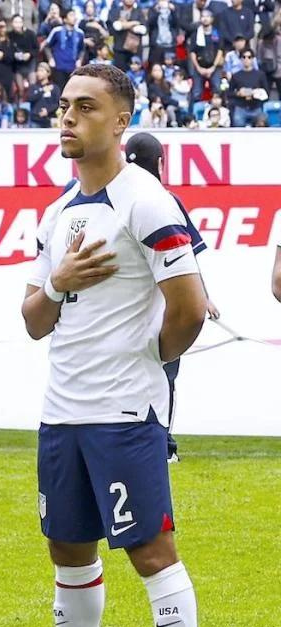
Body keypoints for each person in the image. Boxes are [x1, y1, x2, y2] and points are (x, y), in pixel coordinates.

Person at [21, 63, 204, 627]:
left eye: (87, 107)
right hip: (61, 411)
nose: (68, 117)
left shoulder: (149, 202)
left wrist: (146, 361)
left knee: (151, 553)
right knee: (67, 551)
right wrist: (58, 280)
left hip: (124, 412)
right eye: (65, 105)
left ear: (122, 121)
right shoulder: (55, 213)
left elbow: (191, 309)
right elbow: (33, 320)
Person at [121, 133, 220, 464]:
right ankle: (162, 446)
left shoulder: (110, 196)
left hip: (119, 311)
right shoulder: (164, 200)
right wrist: (201, 296)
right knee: (164, 375)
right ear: (160, 163)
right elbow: (186, 256)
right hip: (162, 310)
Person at [227, 48, 269, 127]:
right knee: (237, 124)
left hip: (256, 107)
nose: (246, 59)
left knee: (262, 124)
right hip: (240, 107)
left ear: (253, 59)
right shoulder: (236, 75)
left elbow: (267, 92)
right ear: (240, 59)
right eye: (244, 57)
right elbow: (229, 93)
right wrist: (238, 93)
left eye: (249, 57)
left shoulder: (260, 75)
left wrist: (255, 93)